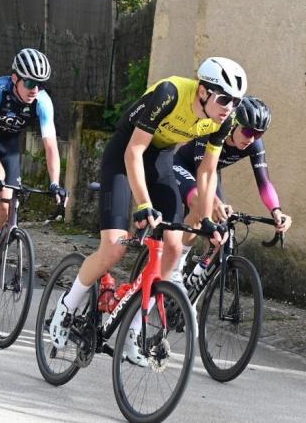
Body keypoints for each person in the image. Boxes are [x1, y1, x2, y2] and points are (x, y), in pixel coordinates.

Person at [49, 57, 248, 366]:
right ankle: (66, 307)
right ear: (203, 92)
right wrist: (143, 205)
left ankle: (135, 331)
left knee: (172, 245)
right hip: (125, 152)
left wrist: (207, 220)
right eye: (224, 98)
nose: (229, 107)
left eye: (235, 102)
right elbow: (134, 151)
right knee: (114, 248)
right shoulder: (170, 94)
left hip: (160, 160)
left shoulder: (223, 120)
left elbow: (208, 173)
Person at [0, 48, 67, 273]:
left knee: (8, 208)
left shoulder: (42, 101)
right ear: (15, 78)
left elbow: (50, 146)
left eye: (41, 84)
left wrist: (55, 182)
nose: (35, 90)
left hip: (8, 145)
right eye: (29, 83)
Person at [169, 96, 292, 282]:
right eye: (248, 131)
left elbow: (264, 182)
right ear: (234, 124)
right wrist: (214, 202)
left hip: (210, 173)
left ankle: (193, 282)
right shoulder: (214, 129)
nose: (251, 139)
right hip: (185, 167)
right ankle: (175, 268)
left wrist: (276, 211)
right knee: (200, 204)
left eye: (258, 134)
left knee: (222, 231)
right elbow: (202, 171)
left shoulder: (254, 145)